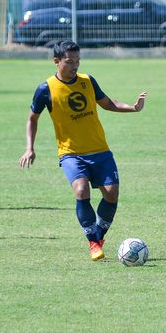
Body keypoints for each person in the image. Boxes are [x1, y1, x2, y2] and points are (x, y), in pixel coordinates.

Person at [19, 40, 146, 261]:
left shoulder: (88, 81)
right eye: (69, 61)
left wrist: (133, 108)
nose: (75, 66)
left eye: (77, 61)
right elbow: (32, 119)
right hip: (71, 153)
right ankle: (93, 242)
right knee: (81, 190)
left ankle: (98, 235)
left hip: (100, 150)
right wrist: (29, 148)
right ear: (56, 61)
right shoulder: (45, 89)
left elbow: (107, 103)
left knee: (112, 194)